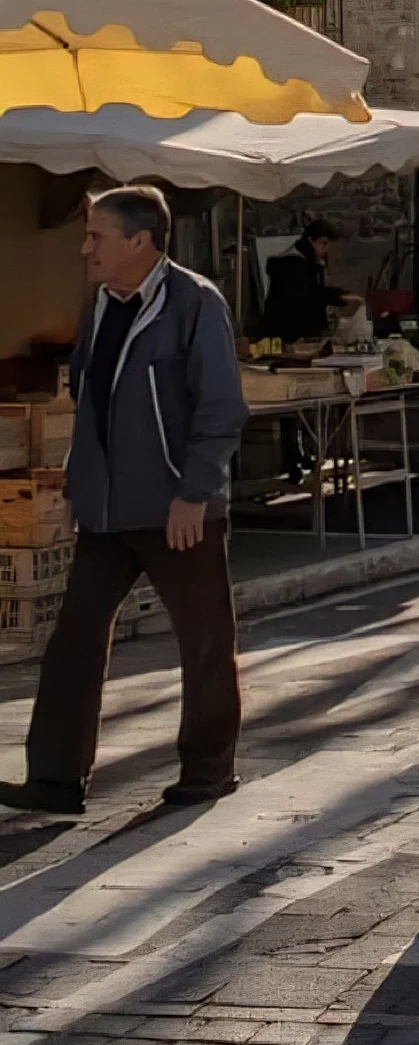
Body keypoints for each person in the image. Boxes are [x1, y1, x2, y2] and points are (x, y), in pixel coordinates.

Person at [0, 185, 248, 818]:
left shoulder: (195, 302)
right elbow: (91, 397)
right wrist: (78, 483)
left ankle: (208, 770)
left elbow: (220, 406)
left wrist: (195, 492)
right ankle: (54, 780)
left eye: (97, 237)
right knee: (74, 641)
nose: (86, 250)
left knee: (204, 643)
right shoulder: (100, 303)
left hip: (177, 508)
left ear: (140, 241)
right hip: (106, 510)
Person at [258, 218, 343, 349]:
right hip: (285, 335)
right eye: (323, 243)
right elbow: (305, 296)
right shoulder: (291, 262)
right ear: (310, 240)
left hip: (296, 335)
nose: (326, 249)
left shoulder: (310, 263)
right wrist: (338, 297)